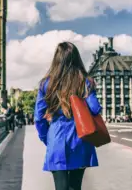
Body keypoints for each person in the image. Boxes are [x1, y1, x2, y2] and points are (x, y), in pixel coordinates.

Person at [34, 42, 102, 190]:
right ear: (76, 59)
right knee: (75, 187)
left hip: (57, 139)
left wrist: (46, 138)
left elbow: (38, 118)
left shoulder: (46, 84)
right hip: (80, 140)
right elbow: (95, 109)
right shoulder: (85, 82)